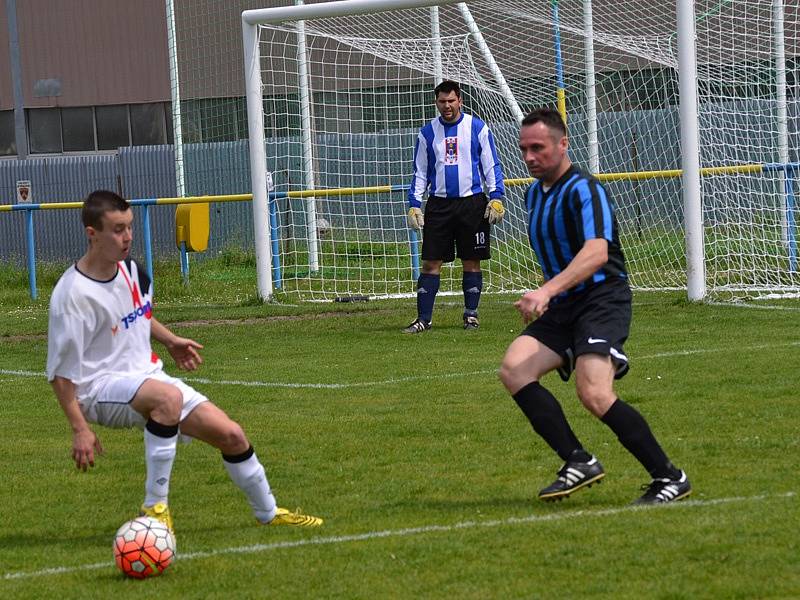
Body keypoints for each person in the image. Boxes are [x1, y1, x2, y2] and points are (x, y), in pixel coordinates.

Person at [47, 190, 322, 531]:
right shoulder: (72, 295)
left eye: (130, 227)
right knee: (168, 398)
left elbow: (139, 314)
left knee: (232, 434)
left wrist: (170, 340)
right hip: (96, 388)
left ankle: (269, 513)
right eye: (118, 229)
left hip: (145, 376)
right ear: (92, 233)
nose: (128, 236)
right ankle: (155, 509)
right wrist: (79, 428)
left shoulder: (131, 270)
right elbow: (60, 376)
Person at [499, 108, 691, 505]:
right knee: (515, 369)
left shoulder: (585, 188)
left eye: (538, 147)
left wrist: (546, 291)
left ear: (563, 144)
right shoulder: (533, 194)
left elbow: (597, 252)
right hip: (563, 305)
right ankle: (578, 460)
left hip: (602, 299)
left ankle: (670, 477)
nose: (530, 157)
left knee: (594, 393)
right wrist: (549, 291)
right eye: (524, 149)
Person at [404, 80, 506, 333]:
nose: (447, 106)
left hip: (472, 204)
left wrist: (496, 196)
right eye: (442, 101)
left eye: (451, 101)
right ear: (436, 102)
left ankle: (471, 315)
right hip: (439, 206)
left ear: (460, 100)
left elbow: (491, 165)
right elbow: (420, 172)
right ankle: (423, 320)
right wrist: (414, 204)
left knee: (471, 262)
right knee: (430, 263)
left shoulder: (478, 127)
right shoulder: (427, 133)